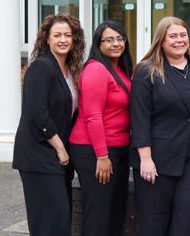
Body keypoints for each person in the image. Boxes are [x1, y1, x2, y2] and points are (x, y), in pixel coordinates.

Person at [130, 16, 190, 236]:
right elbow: (139, 118)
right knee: (154, 223)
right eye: (173, 36)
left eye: (183, 35)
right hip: (157, 161)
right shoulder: (146, 71)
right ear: (161, 40)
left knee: (186, 221)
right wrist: (145, 159)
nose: (179, 40)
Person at [12, 14, 85, 236]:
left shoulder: (69, 71)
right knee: (50, 219)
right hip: (38, 154)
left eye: (67, 35)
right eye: (57, 35)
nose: (63, 39)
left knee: (60, 218)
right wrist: (60, 148)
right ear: (47, 39)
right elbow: (37, 114)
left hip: (55, 156)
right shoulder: (41, 68)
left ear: (74, 40)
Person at [69, 21, 133, 236]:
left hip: (118, 147)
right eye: (109, 40)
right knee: (99, 212)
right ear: (99, 44)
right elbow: (93, 116)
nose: (116, 44)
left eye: (120, 38)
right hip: (95, 150)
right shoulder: (96, 69)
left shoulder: (119, 69)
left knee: (115, 210)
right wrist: (102, 155)